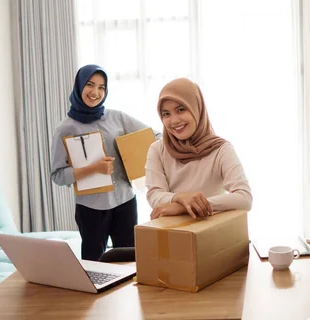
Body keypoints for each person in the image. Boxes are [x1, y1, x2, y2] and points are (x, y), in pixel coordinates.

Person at [50, 64, 161, 261]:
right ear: (79, 86)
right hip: (90, 209)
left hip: (124, 201)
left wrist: (177, 138)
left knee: (130, 260)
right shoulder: (65, 128)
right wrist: (94, 169)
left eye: (101, 87)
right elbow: (58, 175)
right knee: (94, 264)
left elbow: (152, 136)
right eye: (90, 85)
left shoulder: (116, 117)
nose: (95, 92)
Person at [146, 77, 253, 220]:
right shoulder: (157, 150)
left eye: (181, 109)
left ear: (197, 108)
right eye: (166, 114)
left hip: (209, 232)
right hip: (171, 233)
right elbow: (154, 195)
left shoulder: (221, 150)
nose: (174, 120)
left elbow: (244, 198)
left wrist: (185, 206)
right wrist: (181, 198)